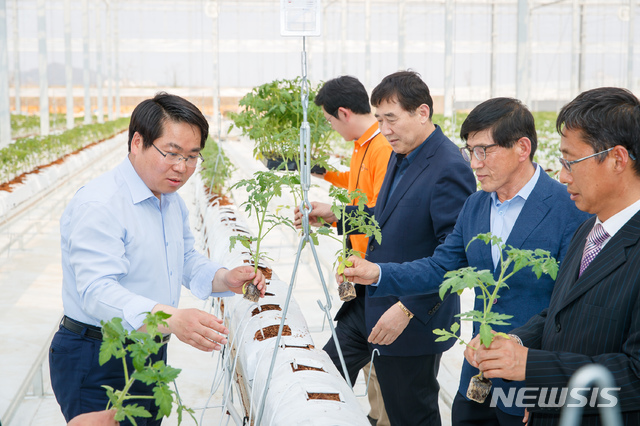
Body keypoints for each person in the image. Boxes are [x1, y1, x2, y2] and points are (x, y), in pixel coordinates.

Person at [340, 97, 591, 425]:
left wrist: (549, 389)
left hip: (530, 382)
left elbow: (571, 311)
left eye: (484, 150)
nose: (475, 163)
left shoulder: (567, 208)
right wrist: (378, 273)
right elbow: (441, 267)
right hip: (477, 378)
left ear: (522, 147)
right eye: (470, 150)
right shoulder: (476, 206)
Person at [49, 93, 265, 425]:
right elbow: (97, 292)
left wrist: (224, 278)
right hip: (98, 356)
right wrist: (171, 319)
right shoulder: (101, 204)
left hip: (149, 352)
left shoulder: (169, 200)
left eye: (193, 156)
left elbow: (185, 258)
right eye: (172, 153)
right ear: (137, 142)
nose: (182, 167)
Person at [296, 70, 476, 425]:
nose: (385, 129)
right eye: (379, 119)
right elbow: (387, 215)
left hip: (410, 319)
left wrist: (407, 308)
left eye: (391, 119)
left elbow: (456, 256)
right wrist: (337, 215)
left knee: (410, 412)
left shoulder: (448, 167)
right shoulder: (402, 152)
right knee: (323, 376)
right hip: (369, 302)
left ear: (422, 113)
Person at [468, 87, 640, 425]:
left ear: (617, 159)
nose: (562, 176)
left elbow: (635, 374)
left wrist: (530, 367)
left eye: (571, 162)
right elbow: (561, 315)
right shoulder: (589, 228)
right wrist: (515, 340)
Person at [311, 75, 393, 426]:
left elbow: (379, 214)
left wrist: (336, 215)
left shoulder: (381, 147)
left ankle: (379, 417)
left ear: (343, 112)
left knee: (384, 371)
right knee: (364, 361)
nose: (330, 127)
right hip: (360, 272)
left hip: (377, 272)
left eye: (329, 120)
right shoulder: (363, 144)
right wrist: (325, 174)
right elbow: (357, 187)